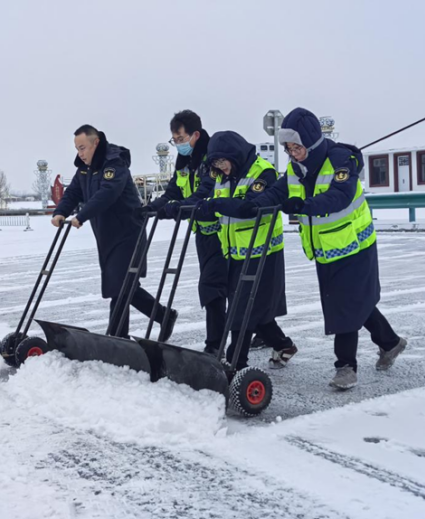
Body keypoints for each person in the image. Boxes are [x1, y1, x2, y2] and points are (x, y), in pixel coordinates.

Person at [229, 107, 407, 389]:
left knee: (344, 304)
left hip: (355, 244)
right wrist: (253, 205)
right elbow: (277, 192)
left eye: (297, 147)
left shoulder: (340, 160)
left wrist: (304, 205)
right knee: (352, 301)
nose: (293, 153)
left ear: (311, 142)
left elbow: (340, 196)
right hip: (327, 247)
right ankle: (390, 342)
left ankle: (346, 367)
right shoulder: (295, 168)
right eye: (288, 148)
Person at [52, 124, 177, 340]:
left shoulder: (114, 164)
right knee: (124, 286)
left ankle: (118, 337)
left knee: (120, 286)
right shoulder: (84, 169)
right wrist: (60, 212)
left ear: (95, 143)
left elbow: (107, 194)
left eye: (82, 148)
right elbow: (73, 192)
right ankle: (163, 316)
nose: (80, 153)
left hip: (128, 232)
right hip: (107, 236)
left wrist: (82, 215)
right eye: (77, 149)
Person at [189, 130, 296, 371]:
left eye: (222, 161)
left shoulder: (263, 172)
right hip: (235, 252)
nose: (220, 168)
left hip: (263, 252)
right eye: (215, 164)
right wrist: (193, 209)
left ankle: (236, 363)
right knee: (253, 309)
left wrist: (216, 205)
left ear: (234, 155)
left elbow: (248, 207)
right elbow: (214, 203)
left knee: (242, 309)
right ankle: (283, 345)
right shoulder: (223, 177)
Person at [138, 110, 226, 356]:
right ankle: (271, 336)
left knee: (212, 288)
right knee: (219, 288)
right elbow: (173, 191)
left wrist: (177, 208)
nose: (177, 144)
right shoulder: (184, 162)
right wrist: (151, 208)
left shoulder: (213, 158)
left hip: (223, 234)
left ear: (195, 135)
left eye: (180, 138)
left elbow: (205, 192)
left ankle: (215, 346)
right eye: (174, 140)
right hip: (203, 234)